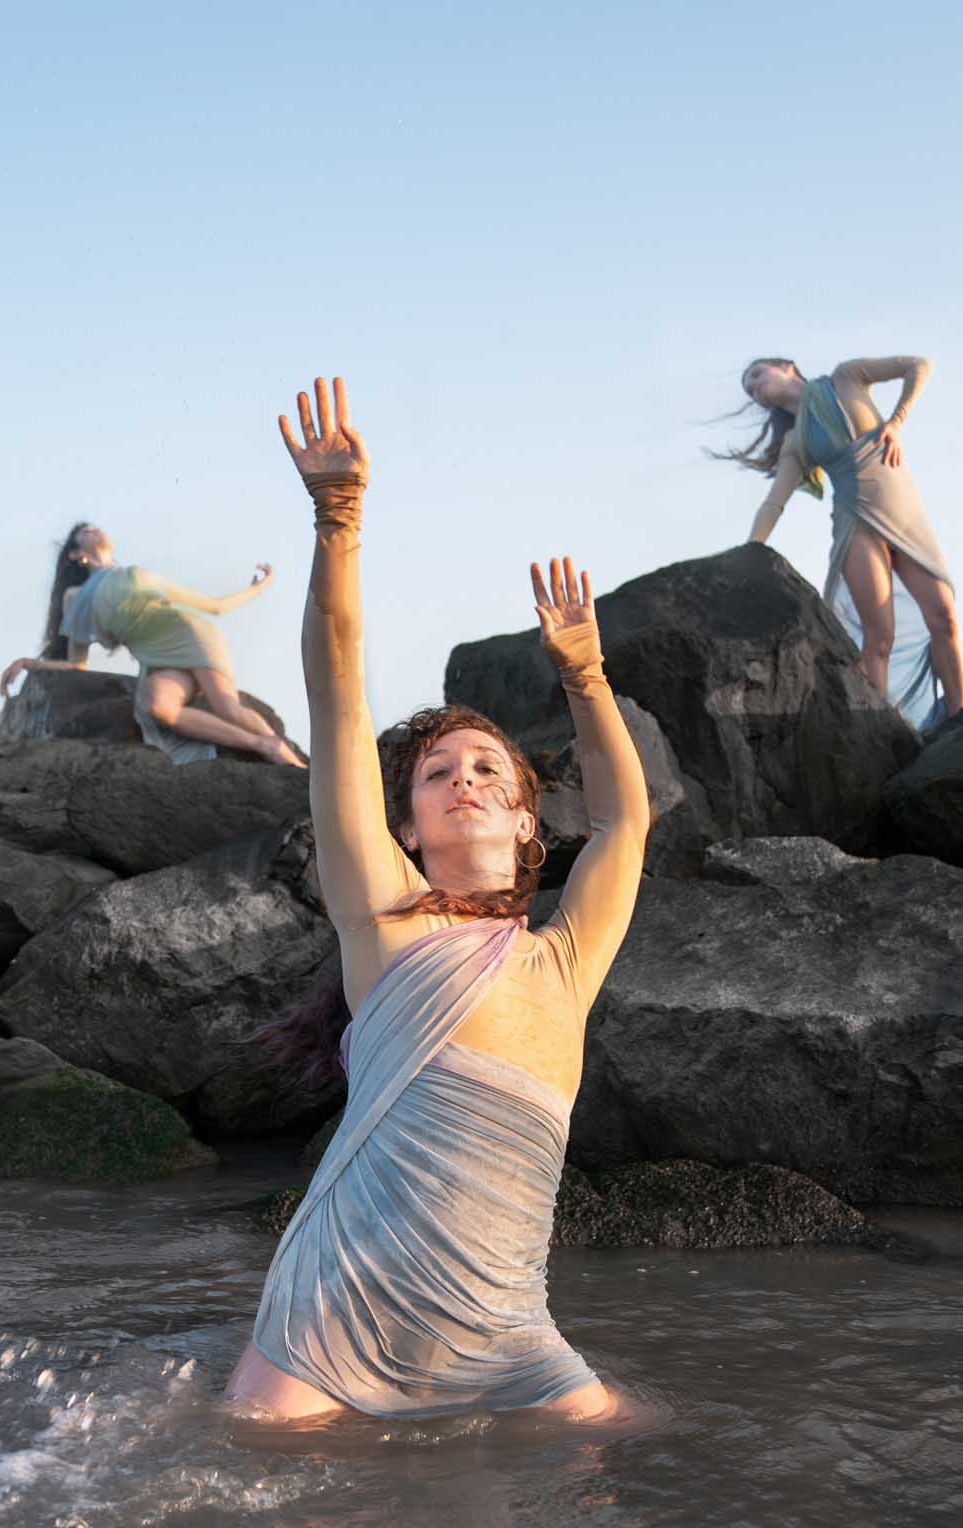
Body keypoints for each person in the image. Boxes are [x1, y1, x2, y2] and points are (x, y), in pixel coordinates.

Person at [227, 377, 651, 1424]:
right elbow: (336, 691)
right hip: (335, 1314)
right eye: (435, 773)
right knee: (243, 1474)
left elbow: (627, 822)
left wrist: (587, 677)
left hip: (505, 1330)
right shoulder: (378, 914)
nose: (463, 778)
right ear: (406, 828)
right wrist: (339, 521)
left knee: (631, 1451)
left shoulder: (565, 959)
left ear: (523, 828)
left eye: (489, 773)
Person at [724, 352, 963, 729]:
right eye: (749, 389)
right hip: (856, 525)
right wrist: (749, 549)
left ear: (787, 365)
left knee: (944, 617)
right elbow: (774, 503)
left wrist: (896, 422)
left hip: (904, 512)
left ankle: (961, 721)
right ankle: (881, 734)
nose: (754, 388)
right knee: (878, 638)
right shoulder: (796, 439)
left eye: (756, 374)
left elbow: (919, 365)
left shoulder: (846, 378)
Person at [0, 523, 306, 766]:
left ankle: (292, 763)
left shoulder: (138, 574)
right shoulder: (75, 598)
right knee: (158, 707)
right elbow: (76, 664)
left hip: (189, 635)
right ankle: (262, 744)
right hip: (156, 658)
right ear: (76, 555)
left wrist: (257, 588)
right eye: (86, 532)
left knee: (227, 707)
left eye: (95, 528)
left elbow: (214, 607)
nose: (96, 530)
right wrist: (28, 663)